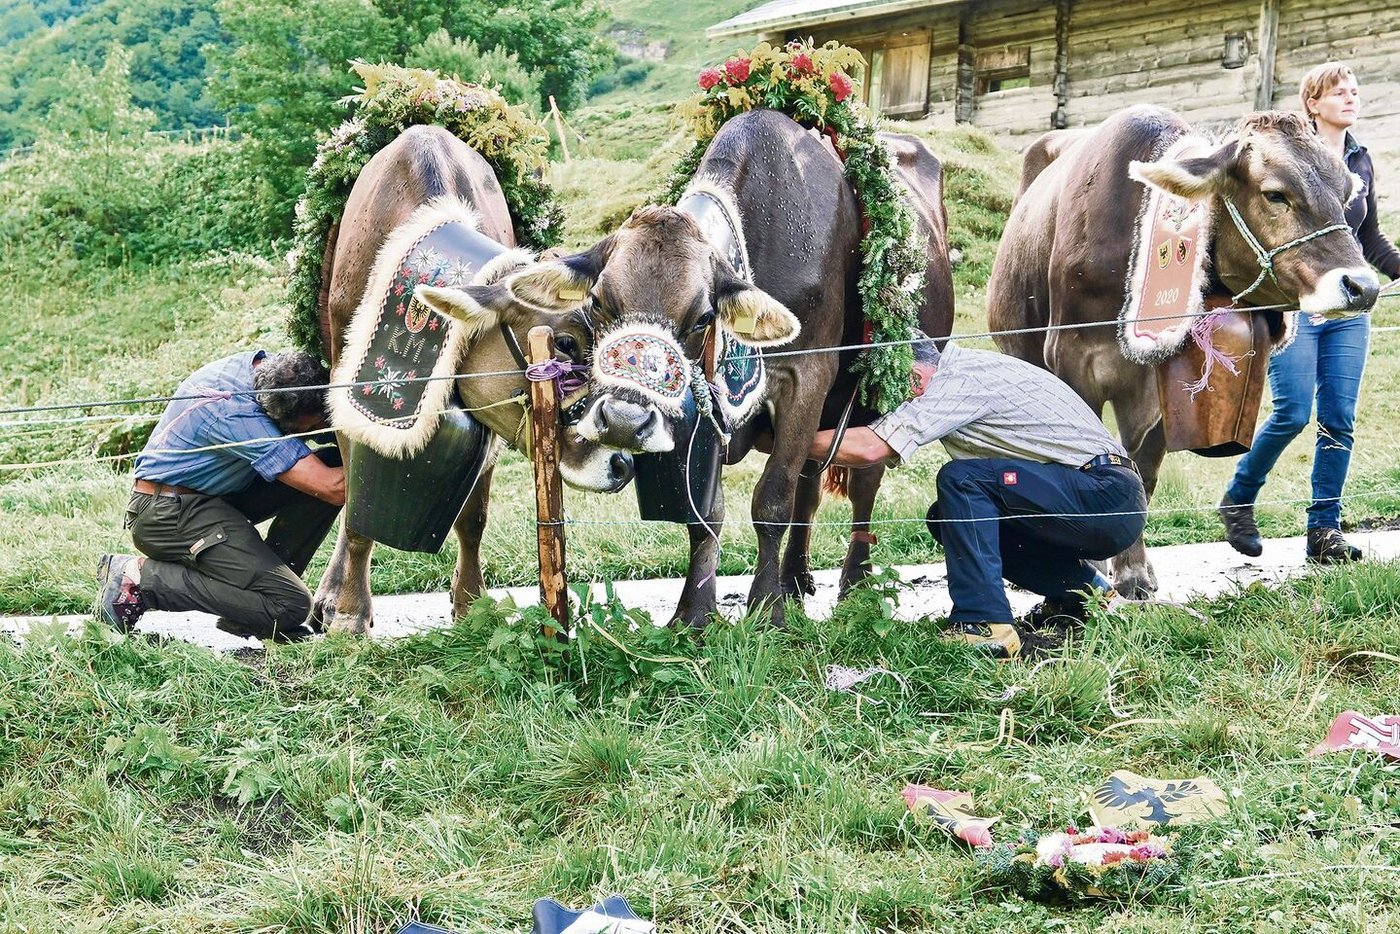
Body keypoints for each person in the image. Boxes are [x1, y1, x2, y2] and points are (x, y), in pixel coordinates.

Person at [811, 338, 1148, 659]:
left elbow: (872, 446)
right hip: (1101, 496)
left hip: (1105, 496)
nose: (887, 404)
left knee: (961, 479)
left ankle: (983, 624)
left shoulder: (955, 380)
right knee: (947, 517)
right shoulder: (970, 369)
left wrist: (791, 441)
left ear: (914, 377)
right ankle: (1086, 595)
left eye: (888, 390)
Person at [1218, 62, 1400, 564]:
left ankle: (1324, 529)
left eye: (1355, 90)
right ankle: (1238, 497)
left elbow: (1369, 239)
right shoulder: (1292, 158)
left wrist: (1396, 267)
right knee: (1294, 410)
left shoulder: (1358, 161)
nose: (1351, 98)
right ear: (1312, 103)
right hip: (1296, 302)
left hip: (1348, 305)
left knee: (1338, 417)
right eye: (1338, 92)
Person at [95, 350, 345, 643]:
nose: (319, 430)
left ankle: (255, 607)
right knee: (290, 606)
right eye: (312, 427)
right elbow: (333, 487)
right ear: (279, 418)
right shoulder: (237, 415)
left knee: (329, 459)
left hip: (214, 495)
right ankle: (138, 580)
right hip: (167, 514)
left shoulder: (271, 373)